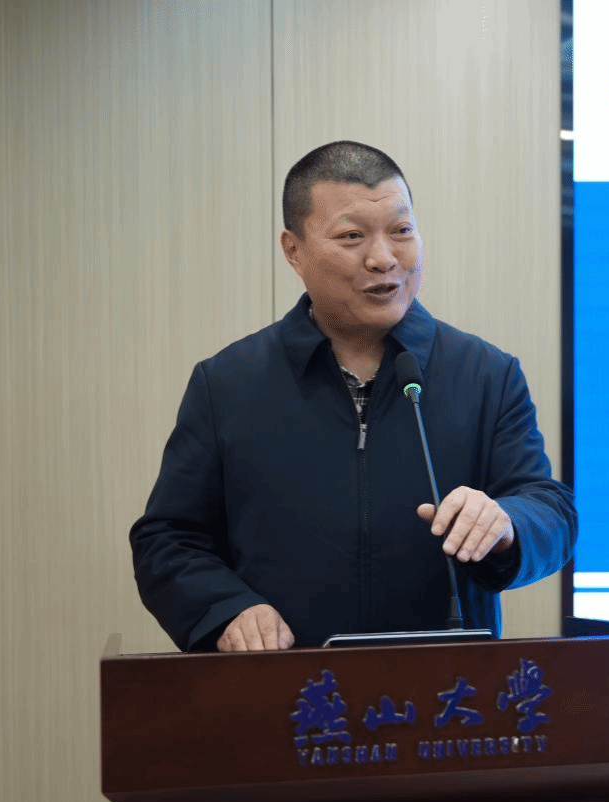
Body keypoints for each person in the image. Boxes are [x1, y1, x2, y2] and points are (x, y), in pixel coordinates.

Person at [130, 141, 576, 652]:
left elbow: (550, 510)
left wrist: (508, 523)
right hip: (288, 686)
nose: (383, 258)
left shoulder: (486, 374)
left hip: (447, 691)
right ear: (293, 250)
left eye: (402, 231)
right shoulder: (228, 383)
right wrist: (227, 609)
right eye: (351, 236)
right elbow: (168, 539)